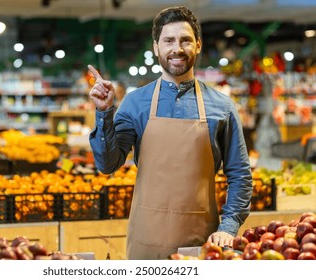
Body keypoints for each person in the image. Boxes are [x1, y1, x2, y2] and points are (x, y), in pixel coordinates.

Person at [87, 6, 252, 260]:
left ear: (198, 45)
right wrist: (104, 113)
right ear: (156, 48)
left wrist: (228, 227)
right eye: (169, 41)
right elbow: (108, 164)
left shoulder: (223, 107)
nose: (177, 48)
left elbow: (240, 175)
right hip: (146, 242)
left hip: (200, 243)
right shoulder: (135, 103)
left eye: (185, 40)